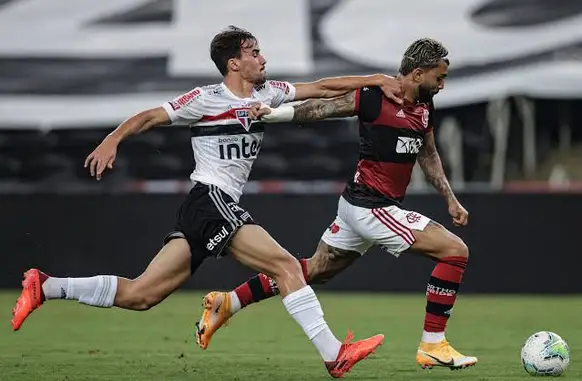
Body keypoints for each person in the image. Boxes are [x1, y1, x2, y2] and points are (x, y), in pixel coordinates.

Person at [10, 26, 403, 378]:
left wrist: (376, 79)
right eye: (254, 53)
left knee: (141, 295)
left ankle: (47, 287)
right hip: (209, 199)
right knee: (286, 265)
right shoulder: (205, 98)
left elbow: (321, 87)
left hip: (206, 207)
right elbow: (149, 116)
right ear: (234, 63)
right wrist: (113, 139)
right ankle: (334, 355)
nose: (263, 58)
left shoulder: (269, 93)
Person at [195, 37, 478, 370]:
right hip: (372, 207)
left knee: (313, 270)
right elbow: (323, 108)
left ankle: (229, 302)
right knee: (454, 251)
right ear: (417, 74)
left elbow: (428, 155)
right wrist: (275, 114)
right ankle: (433, 344)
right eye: (439, 78)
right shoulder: (375, 97)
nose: (442, 85)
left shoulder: (425, 108)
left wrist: (450, 199)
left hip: (358, 207)